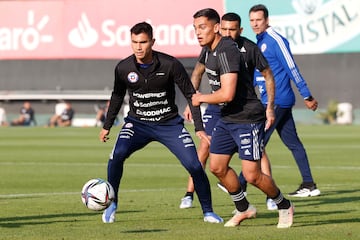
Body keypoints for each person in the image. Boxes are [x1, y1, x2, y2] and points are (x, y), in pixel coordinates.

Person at [99, 21, 223, 224]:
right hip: (137, 124)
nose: (138, 47)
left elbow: (191, 94)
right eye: (134, 42)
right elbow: (117, 96)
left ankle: (208, 212)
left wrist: (199, 128)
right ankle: (112, 204)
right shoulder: (123, 67)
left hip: (169, 125)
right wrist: (107, 125)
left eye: (143, 42)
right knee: (116, 156)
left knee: (194, 164)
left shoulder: (170, 64)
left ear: (152, 42)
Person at [192, 8, 293, 228]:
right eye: (195, 28)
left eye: (202, 27)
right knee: (217, 167)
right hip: (227, 117)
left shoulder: (228, 49)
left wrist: (200, 99)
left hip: (247, 118)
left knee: (252, 175)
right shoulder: (208, 50)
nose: (198, 33)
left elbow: (227, 93)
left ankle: (284, 205)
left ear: (216, 27)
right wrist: (195, 97)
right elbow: (198, 74)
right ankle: (244, 208)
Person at [180, 12, 277, 211]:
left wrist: (269, 107)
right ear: (219, 28)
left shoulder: (247, 48)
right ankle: (190, 193)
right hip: (220, 108)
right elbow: (197, 74)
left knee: (257, 160)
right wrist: (191, 103)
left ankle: (273, 198)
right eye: (225, 29)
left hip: (243, 109)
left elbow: (267, 75)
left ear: (240, 30)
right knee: (207, 151)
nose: (227, 33)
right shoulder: (209, 49)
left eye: (232, 29)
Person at [239, 4, 320, 198]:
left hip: (277, 101)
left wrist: (306, 95)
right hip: (272, 100)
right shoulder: (260, 41)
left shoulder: (275, 40)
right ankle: (309, 184)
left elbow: (291, 67)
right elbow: (261, 74)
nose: (255, 24)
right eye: (252, 20)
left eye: (259, 20)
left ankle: (239, 184)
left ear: (267, 20)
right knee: (293, 143)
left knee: (257, 141)